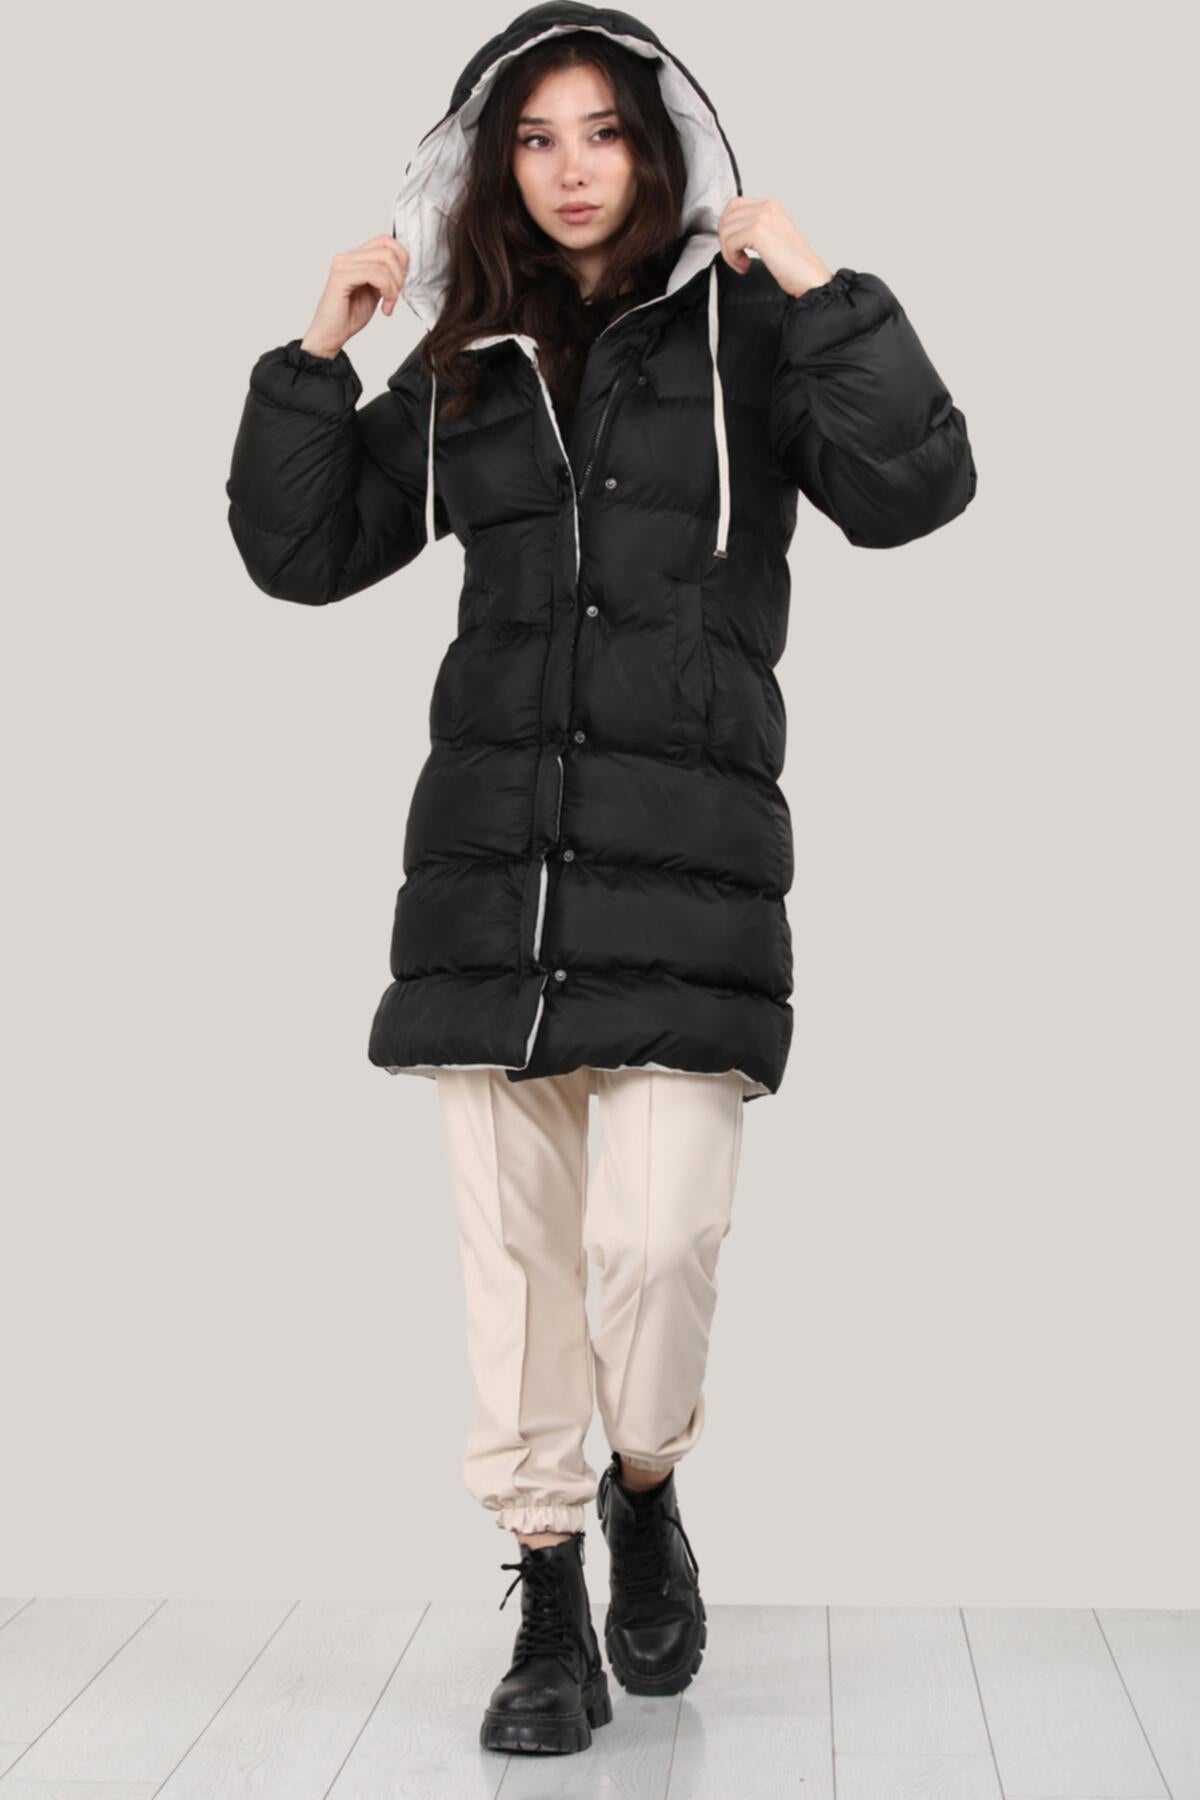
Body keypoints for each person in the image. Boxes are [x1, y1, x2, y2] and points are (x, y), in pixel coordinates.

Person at [225, 0, 977, 1759]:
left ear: (661, 148)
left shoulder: (752, 333)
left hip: (688, 875)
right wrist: (316, 352)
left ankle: (646, 1484)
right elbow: (301, 549)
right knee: (516, 1271)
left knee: (657, 1245)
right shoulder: (467, 362)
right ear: (496, 166)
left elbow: (918, 489)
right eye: (536, 139)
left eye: (605, 133)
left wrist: (827, 292)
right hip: (491, 887)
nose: (572, 170)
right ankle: (550, 1596)